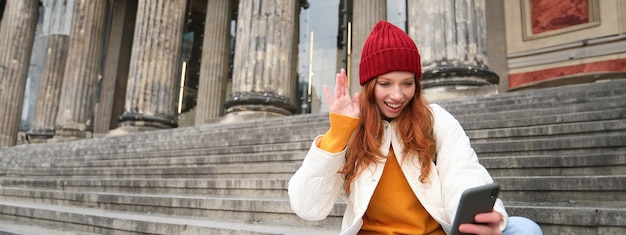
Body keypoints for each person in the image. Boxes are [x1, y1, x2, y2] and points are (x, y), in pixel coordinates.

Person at [288, 20, 542, 235]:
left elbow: (463, 173)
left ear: (417, 84)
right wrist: (338, 134)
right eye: (385, 84)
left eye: (407, 83)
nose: (397, 95)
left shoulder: (436, 119)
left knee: (524, 228)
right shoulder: (352, 128)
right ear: (368, 86)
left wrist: (486, 216)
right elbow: (307, 207)